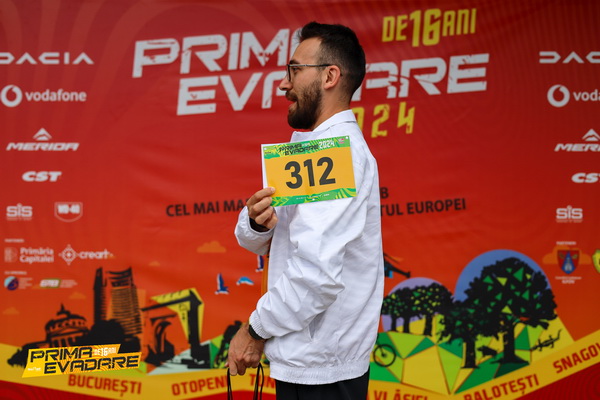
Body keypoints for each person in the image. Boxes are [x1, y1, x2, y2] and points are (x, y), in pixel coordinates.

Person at [228, 21, 383, 400]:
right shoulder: (310, 148)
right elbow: (275, 244)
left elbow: (316, 274)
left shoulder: (336, 153)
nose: (284, 84)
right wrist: (257, 223)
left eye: (295, 70)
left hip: (322, 367)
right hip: (307, 357)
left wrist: (255, 330)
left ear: (330, 76)